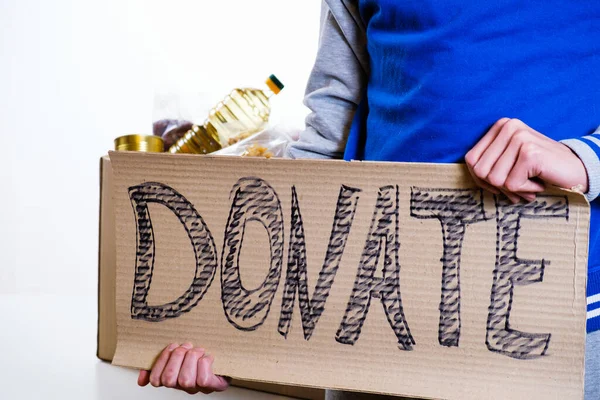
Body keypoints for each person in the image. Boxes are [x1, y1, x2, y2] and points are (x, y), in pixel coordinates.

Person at [138, 1, 600, 398]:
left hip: (561, 322)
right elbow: (329, 132)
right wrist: (229, 332)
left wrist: (585, 159)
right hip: (372, 325)